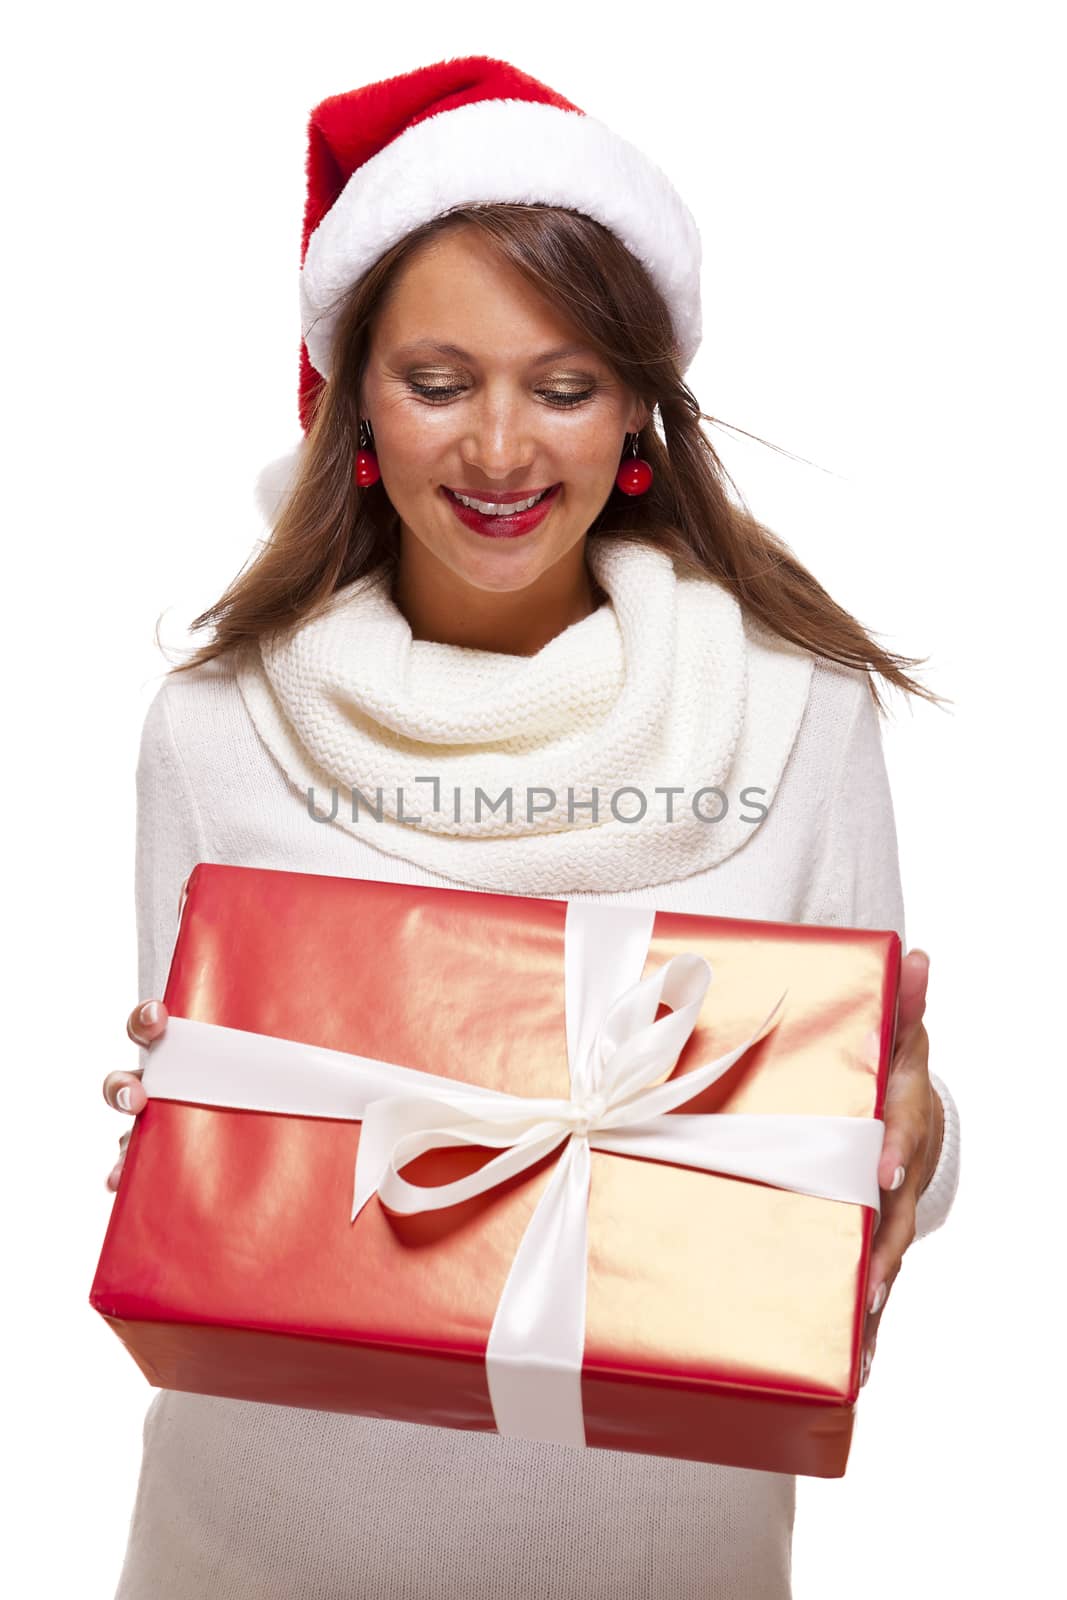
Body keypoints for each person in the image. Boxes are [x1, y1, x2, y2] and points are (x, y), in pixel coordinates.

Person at [100, 55, 961, 1600]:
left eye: (562, 387)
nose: (500, 452)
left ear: (637, 405)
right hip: (251, 1551)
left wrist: (922, 1137)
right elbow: (225, 1142)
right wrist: (187, 1136)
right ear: (353, 391)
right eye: (439, 383)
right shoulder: (218, 729)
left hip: (665, 1564)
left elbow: (859, 1169)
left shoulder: (795, 713)